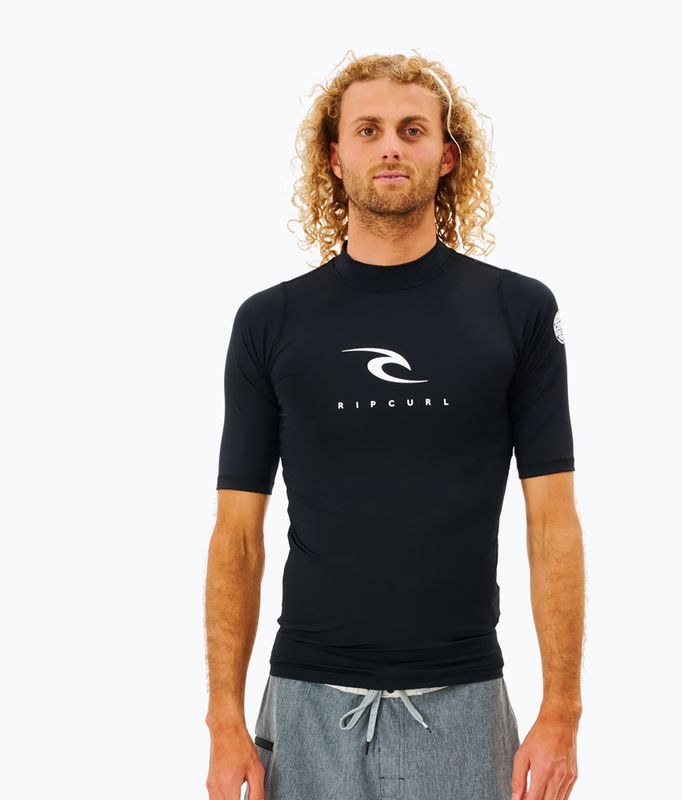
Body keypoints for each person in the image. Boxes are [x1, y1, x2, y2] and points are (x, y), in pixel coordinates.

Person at [204, 52, 584, 800]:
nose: (389, 147)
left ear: (447, 156)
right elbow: (237, 535)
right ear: (334, 155)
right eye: (368, 129)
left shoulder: (518, 312)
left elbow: (553, 524)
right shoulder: (270, 321)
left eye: (412, 130)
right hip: (306, 704)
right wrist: (223, 719)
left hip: (464, 703)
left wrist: (562, 712)